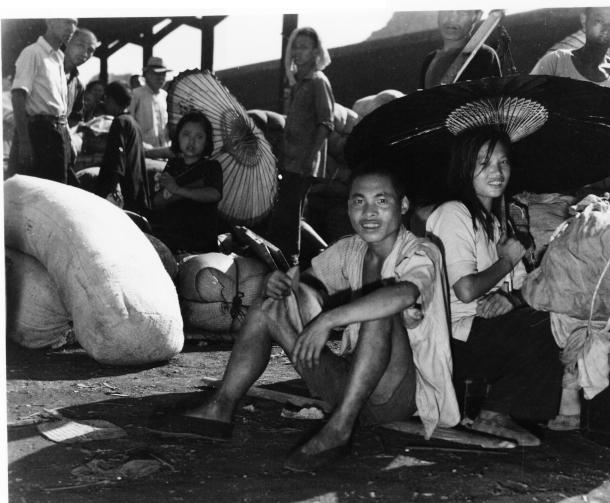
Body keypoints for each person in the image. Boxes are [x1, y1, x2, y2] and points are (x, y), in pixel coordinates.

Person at [148, 163, 459, 473]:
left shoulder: (422, 252)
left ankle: (338, 430)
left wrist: (326, 321)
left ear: (403, 205)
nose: (369, 212)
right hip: (349, 383)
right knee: (268, 306)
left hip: (399, 395)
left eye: (382, 200)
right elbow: (304, 285)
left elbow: (404, 294)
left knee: (380, 310)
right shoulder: (351, 249)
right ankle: (219, 409)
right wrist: (282, 285)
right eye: (358, 201)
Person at [426, 127, 566, 445]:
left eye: (503, 162)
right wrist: (506, 261)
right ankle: (493, 415)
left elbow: (523, 288)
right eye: (484, 163)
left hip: (483, 329)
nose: (497, 172)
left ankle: (503, 411)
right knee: (547, 326)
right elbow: (464, 290)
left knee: (555, 313)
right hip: (454, 337)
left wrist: (512, 300)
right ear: (464, 168)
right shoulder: (453, 213)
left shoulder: (496, 223)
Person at [266, 27, 335, 267]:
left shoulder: (318, 81)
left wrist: (310, 158)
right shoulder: (298, 84)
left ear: (316, 52)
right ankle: (282, 258)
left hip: (303, 162)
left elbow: (326, 123)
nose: (297, 52)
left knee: (290, 216)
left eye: (303, 47)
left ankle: (291, 264)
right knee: (285, 213)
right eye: (295, 46)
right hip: (290, 160)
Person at [530, 6, 610, 108]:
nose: (606, 29)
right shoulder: (555, 62)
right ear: (584, 20)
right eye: (599, 21)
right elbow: (525, 106)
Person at [10, 18, 79, 183]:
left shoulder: (59, 59)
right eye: (66, 21)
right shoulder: (33, 52)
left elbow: (60, 106)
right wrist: (25, 143)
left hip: (58, 133)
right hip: (40, 133)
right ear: (51, 21)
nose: (71, 28)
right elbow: (18, 96)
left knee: (60, 190)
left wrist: (68, 139)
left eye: (75, 23)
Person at [148, 111, 223, 254]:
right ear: (178, 137)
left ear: (207, 141)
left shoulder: (211, 166)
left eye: (199, 136)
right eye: (186, 134)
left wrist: (177, 189)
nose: (192, 142)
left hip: (201, 242)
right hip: (173, 239)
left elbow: (214, 194)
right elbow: (157, 201)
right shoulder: (173, 164)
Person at [94, 81, 150, 214]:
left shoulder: (119, 122)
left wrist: (115, 184)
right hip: (132, 185)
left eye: (106, 99)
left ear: (112, 100)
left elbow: (119, 152)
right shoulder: (133, 122)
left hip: (120, 186)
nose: (104, 103)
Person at [420, 10, 502, 89]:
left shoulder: (485, 55)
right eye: (446, 9)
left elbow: (492, 102)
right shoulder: (429, 60)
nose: (452, 18)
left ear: (477, 16)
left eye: (463, 11)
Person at [130, 56, 171, 148]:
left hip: (164, 150)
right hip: (143, 151)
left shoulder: (166, 96)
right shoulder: (136, 95)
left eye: (163, 74)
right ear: (147, 74)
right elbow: (129, 125)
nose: (161, 78)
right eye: (157, 74)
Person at [64, 29, 100, 129]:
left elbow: (73, 121)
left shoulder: (78, 86)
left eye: (90, 50)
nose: (85, 54)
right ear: (67, 42)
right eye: (80, 45)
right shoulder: (45, 70)